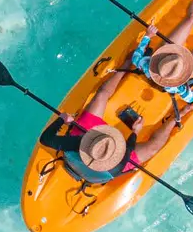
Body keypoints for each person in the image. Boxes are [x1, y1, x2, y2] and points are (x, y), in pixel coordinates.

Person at [45, 66, 180, 185]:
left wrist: (62, 120)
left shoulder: (76, 142)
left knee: (102, 94)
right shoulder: (118, 165)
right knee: (153, 148)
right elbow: (130, 147)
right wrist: (135, 132)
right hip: (100, 164)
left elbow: (45, 139)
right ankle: (175, 119)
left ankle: (126, 64)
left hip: (85, 141)